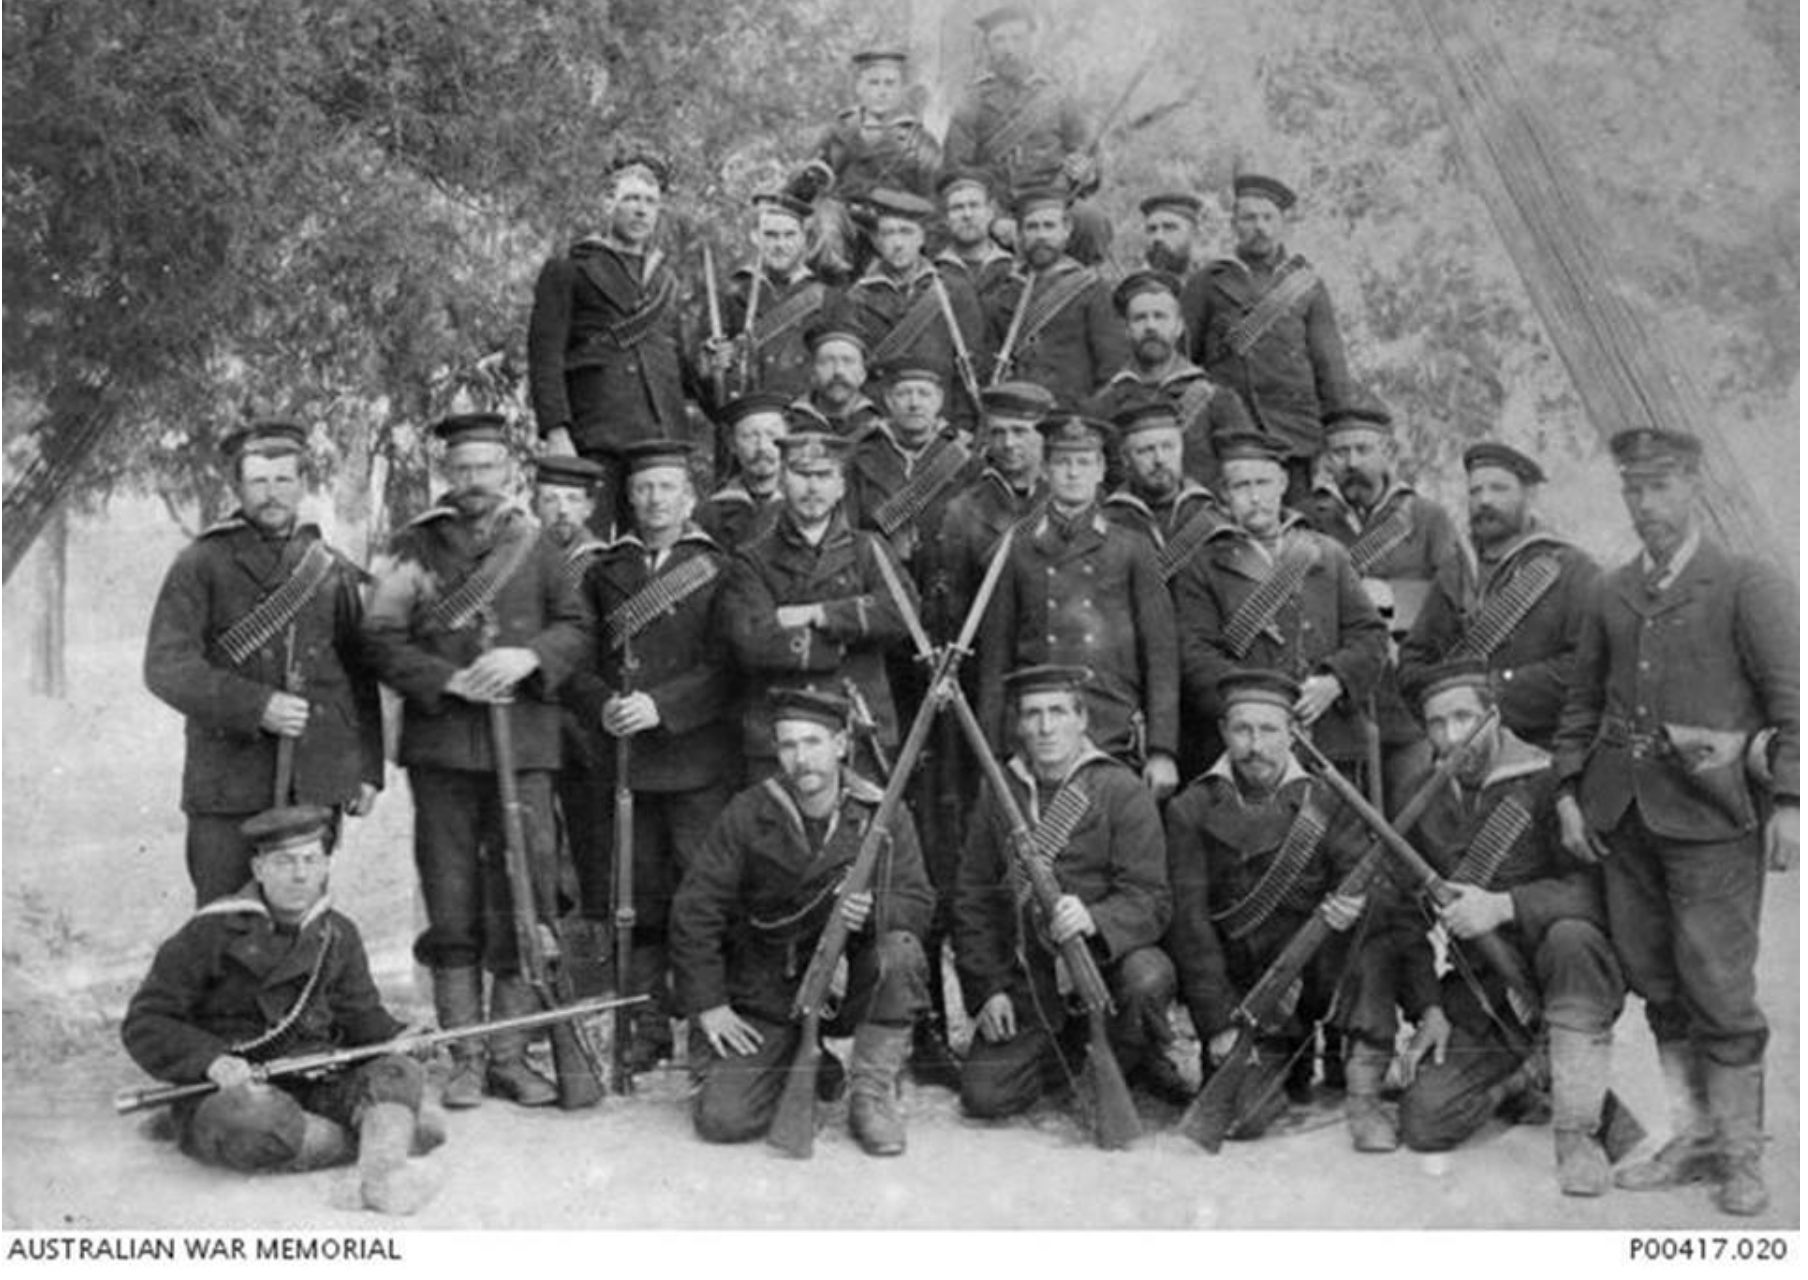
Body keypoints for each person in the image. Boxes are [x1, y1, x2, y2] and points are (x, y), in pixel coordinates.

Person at [1554, 427, 1798, 1216]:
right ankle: (1693, 1138)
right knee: (1659, 984)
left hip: (1711, 821)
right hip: (1624, 820)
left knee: (1720, 989)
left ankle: (1739, 1155)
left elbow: (1791, 699)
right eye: (1633, 488)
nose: (1645, 504)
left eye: (1660, 487)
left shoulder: (1744, 583)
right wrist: (1566, 791)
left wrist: (1791, 803)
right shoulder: (1612, 591)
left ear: (1693, 485)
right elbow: (1582, 702)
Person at [362, 413, 589, 1110]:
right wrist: (444, 680)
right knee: (452, 899)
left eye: (488, 467)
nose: (475, 483)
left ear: (510, 470)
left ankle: (510, 1055)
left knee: (523, 896)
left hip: (523, 748)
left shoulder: (541, 546)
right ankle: (464, 1058)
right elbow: (378, 636)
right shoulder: (413, 547)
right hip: (442, 751)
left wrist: (529, 657)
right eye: (462, 469)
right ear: (447, 473)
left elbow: (578, 626)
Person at [1376, 660, 1628, 1195]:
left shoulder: (1546, 784)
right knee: (1425, 1123)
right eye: (1436, 724)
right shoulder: (1423, 796)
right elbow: (1403, 914)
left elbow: (1597, 891)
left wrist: (1505, 905)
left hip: (1560, 975)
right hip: (1485, 985)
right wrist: (1430, 1008)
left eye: (1463, 718)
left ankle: (1578, 1133)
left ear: (1493, 716)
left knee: (1572, 937)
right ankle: (1525, 1076)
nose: (1450, 737)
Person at [121, 805, 441, 1214]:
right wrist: (211, 1061)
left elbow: (361, 1017)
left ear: (326, 865)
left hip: (320, 1083)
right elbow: (146, 1020)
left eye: (311, 860)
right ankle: (383, 1140)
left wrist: (399, 1037)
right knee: (249, 1124)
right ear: (258, 869)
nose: (300, 874)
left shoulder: (338, 932)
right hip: (243, 1091)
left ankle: (380, 1177)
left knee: (401, 1071)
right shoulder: (209, 932)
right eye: (284, 861)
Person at [670, 688, 933, 1155]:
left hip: (852, 983)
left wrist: (874, 911)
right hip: (768, 990)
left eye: (813, 743)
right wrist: (709, 1004)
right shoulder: (749, 812)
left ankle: (870, 1095)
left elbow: (919, 901)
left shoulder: (883, 811)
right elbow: (696, 909)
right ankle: (805, 1061)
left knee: (901, 953)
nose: (801, 759)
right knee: (723, 1120)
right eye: (788, 746)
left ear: (841, 744)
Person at [144, 420, 382, 906]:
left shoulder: (328, 567)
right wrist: (256, 706)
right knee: (227, 928)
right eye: (258, 481)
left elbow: (359, 676)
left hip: (313, 781)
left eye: (283, 480)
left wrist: (368, 768)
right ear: (237, 487)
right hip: (229, 785)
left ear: (301, 484)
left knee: (303, 929)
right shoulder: (201, 562)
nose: (272, 494)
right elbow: (165, 667)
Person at [563, 440, 735, 1072]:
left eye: (667, 487)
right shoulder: (604, 571)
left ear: (689, 499)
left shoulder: (717, 568)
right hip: (626, 763)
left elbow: (727, 667)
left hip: (694, 761)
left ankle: (704, 1025)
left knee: (700, 895)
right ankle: (645, 1024)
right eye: (643, 489)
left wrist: (662, 706)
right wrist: (603, 704)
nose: (655, 499)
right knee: (634, 894)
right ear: (629, 498)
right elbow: (575, 661)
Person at [955, 664, 1179, 1119]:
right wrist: (988, 989)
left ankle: (1127, 1054)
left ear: (1082, 720)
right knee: (986, 1097)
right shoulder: (1000, 790)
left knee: (1148, 976)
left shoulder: (1120, 788)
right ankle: (1072, 1052)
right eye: (1032, 714)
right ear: (1018, 725)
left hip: (1106, 969)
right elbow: (973, 896)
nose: (1045, 726)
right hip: (1030, 981)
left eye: (1058, 711)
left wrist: (1096, 918)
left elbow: (1152, 899)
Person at [1162, 670, 1379, 1141]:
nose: (1254, 745)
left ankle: (1328, 1046)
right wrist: (1217, 1023)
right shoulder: (1191, 808)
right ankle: (1273, 1067)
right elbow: (1190, 926)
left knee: (1370, 936)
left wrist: (1355, 904)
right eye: (1242, 730)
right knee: (1239, 1120)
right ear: (1223, 733)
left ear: (1294, 734)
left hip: (1304, 986)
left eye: (1268, 730)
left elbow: (1363, 874)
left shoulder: (1329, 801)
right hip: (1233, 998)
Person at [977, 414, 1180, 801]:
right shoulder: (1017, 551)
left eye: (1084, 462)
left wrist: (1162, 750)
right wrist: (992, 751)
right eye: (1062, 463)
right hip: (1039, 728)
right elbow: (995, 661)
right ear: (1047, 471)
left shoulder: (1131, 547)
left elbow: (1161, 655)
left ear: (1101, 470)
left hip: (1111, 723)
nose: (1073, 473)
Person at [1173, 432, 1387, 784]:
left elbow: (1370, 636)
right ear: (1225, 494)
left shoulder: (1326, 553)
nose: (1255, 497)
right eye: (1241, 486)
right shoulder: (1203, 565)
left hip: (1329, 739)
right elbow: (1196, 657)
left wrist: (1334, 681)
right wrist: (1259, 704)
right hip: (1248, 748)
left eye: (1263, 483)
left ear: (1283, 484)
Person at [719, 430, 917, 779]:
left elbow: (902, 614)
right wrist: (840, 642)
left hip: (858, 725)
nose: (812, 488)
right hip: (779, 734)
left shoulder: (869, 550)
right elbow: (751, 640)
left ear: (841, 485)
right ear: (782, 480)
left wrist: (818, 614)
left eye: (824, 476)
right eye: (801, 475)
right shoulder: (752, 559)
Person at [527, 152, 700, 534]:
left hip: (660, 438)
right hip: (596, 435)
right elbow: (545, 358)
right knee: (587, 553)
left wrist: (714, 366)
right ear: (608, 204)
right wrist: (557, 433)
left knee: (652, 555)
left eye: (650, 202)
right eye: (631, 199)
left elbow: (679, 363)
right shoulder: (569, 269)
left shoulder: (667, 281)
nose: (641, 211)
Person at [1302, 399, 1464, 800]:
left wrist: (1390, 606)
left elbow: (1455, 604)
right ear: (1328, 459)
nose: (1352, 462)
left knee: (1413, 817)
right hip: (1338, 708)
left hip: (1406, 702)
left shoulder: (1427, 519)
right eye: (1340, 452)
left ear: (1387, 453)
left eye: (1363, 449)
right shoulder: (1308, 520)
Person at [1399, 442, 1599, 749]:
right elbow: (1414, 662)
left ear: (1528, 495)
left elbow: (1586, 666)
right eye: (1475, 491)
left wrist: (1494, 689)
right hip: (1461, 751)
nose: (1485, 500)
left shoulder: (1571, 570)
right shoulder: (1456, 572)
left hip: (1543, 751)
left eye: (1499, 489)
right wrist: (1447, 703)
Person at [1179, 173, 1354, 505]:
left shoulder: (1306, 285)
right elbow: (1183, 362)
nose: (1259, 226)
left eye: (1267, 217)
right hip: (1230, 438)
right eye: (1249, 218)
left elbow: (1331, 370)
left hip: (1296, 440)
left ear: (1282, 223)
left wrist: (1338, 439)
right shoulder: (1207, 282)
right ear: (1234, 224)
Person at [944, 5, 1112, 265]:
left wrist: (1087, 171)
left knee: (1091, 220)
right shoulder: (972, 101)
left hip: (1053, 202)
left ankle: (1084, 290)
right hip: (995, 207)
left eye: (1016, 39)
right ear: (987, 47)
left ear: (1032, 43)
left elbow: (1088, 152)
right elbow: (956, 170)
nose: (1008, 49)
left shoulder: (1057, 96)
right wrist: (994, 218)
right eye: (998, 40)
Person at [534, 456, 613, 934]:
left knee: (594, 838)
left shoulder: (605, 565)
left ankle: (599, 954)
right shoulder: (521, 561)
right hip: (534, 720)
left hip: (587, 721)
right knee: (537, 841)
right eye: (550, 500)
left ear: (589, 506)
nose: (561, 511)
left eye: (571, 500)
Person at [1086, 269, 1253, 490]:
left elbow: (1245, 473)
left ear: (1179, 327)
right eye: (1140, 318)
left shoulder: (1218, 400)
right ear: (1127, 330)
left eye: (1160, 316)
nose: (1151, 327)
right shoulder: (1102, 406)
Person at [842, 188, 989, 430]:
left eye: (906, 232)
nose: (898, 243)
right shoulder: (857, 296)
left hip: (943, 423)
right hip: (879, 425)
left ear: (922, 238)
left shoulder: (953, 290)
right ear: (876, 241)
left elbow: (973, 368)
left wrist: (962, 428)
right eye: (888, 233)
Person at [925, 380, 1054, 641]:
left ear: (1044, 435)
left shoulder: (1073, 498)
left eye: (1020, 431)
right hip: (992, 648)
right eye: (998, 432)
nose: (1008, 443)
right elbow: (951, 605)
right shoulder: (963, 510)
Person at [986, 189, 1129, 405]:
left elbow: (1113, 366)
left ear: (1066, 231)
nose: (1041, 236)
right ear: (1021, 234)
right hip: (1016, 414)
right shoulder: (1006, 290)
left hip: (1070, 417)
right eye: (1032, 227)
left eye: (1049, 226)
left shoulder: (1092, 289)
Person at [846, 365, 977, 565]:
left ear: (939, 400)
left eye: (924, 394)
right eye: (904, 394)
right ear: (889, 400)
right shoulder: (860, 457)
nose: (914, 403)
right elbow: (847, 533)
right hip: (878, 572)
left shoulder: (966, 459)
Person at [711, 192, 830, 404]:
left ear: (804, 239)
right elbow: (704, 366)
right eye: (771, 235)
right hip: (749, 412)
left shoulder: (825, 296)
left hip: (804, 413)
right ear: (756, 237)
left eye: (789, 235)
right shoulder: (732, 290)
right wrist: (714, 360)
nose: (780, 245)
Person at [696, 390, 791, 548]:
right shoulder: (709, 514)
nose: (762, 447)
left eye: (772, 435)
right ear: (732, 444)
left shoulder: (808, 502)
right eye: (749, 436)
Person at [935, 168, 1017, 318]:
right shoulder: (933, 275)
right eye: (957, 208)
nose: (967, 215)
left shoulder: (1015, 271)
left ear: (990, 212)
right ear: (945, 219)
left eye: (974, 205)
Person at [791, 324, 886, 438]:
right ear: (812, 373)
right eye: (827, 361)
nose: (838, 371)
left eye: (848, 361)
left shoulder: (885, 427)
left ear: (863, 373)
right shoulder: (784, 423)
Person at [1139, 192, 1207, 280]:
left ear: (1195, 234)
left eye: (1169, 228)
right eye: (1152, 229)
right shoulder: (1135, 290)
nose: (1158, 238)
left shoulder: (1214, 286)